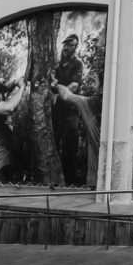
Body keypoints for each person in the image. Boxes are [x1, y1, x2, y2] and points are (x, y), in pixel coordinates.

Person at [53, 34, 84, 185]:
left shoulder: (78, 63)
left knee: (70, 143)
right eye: (66, 44)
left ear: (75, 47)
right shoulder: (57, 65)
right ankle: (57, 178)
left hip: (71, 110)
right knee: (54, 141)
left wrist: (57, 89)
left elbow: (73, 87)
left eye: (71, 45)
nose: (67, 47)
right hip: (56, 111)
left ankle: (71, 178)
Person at [0, 75, 26, 182]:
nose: (2, 77)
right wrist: (22, 87)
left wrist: (16, 82)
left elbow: (6, 88)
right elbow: (9, 108)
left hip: (5, 160)